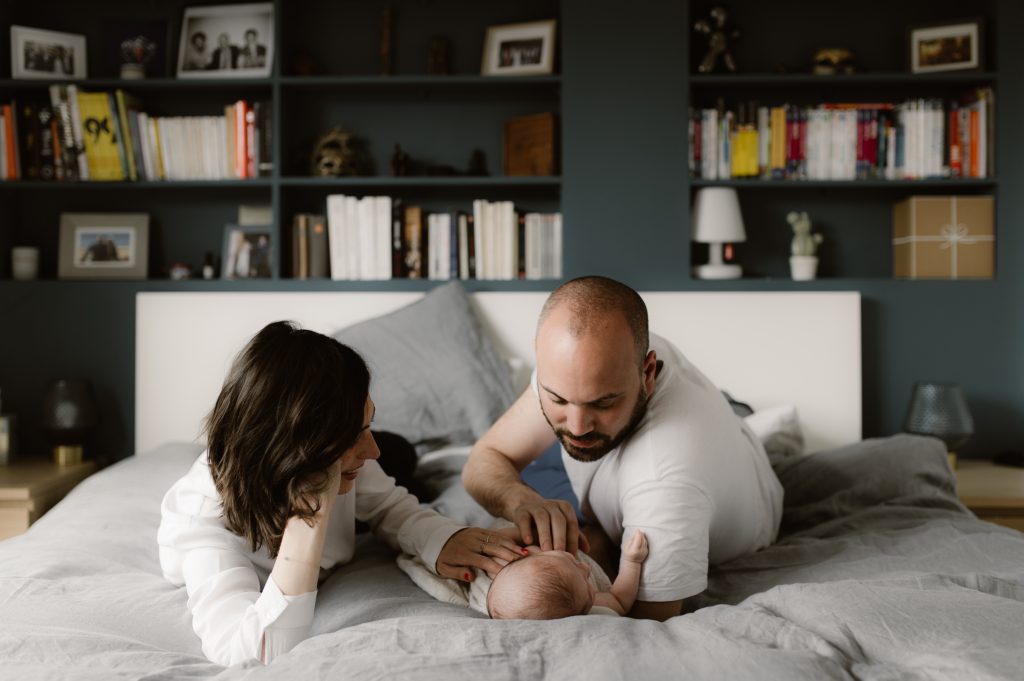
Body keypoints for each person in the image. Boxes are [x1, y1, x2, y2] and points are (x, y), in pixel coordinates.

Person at [158, 321, 525, 666]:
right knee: (394, 456)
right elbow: (257, 651)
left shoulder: (337, 459)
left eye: (367, 426)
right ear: (296, 454)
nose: (371, 451)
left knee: (398, 454)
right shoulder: (205, 530)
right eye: (352, 436)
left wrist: (443, 540)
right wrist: (310, 516)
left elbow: (390, 507)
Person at [462, 275, 783, 621]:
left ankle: (739, 412)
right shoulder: (586, 357)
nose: (576, 426)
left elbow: (642, 627)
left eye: (603, 402)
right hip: (648, 449)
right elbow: (483, 460)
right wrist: (521, 500)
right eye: (557, 398)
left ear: (647, 372)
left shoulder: (664, 483)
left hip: (720, 481)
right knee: (536, 484)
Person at [488, 529, 648, 619]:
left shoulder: (509, 564)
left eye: (571, 560)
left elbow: (493, 541)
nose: (586, 568)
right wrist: (631, 561)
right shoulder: (583, 603)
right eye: (587, 585)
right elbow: (620, 601)